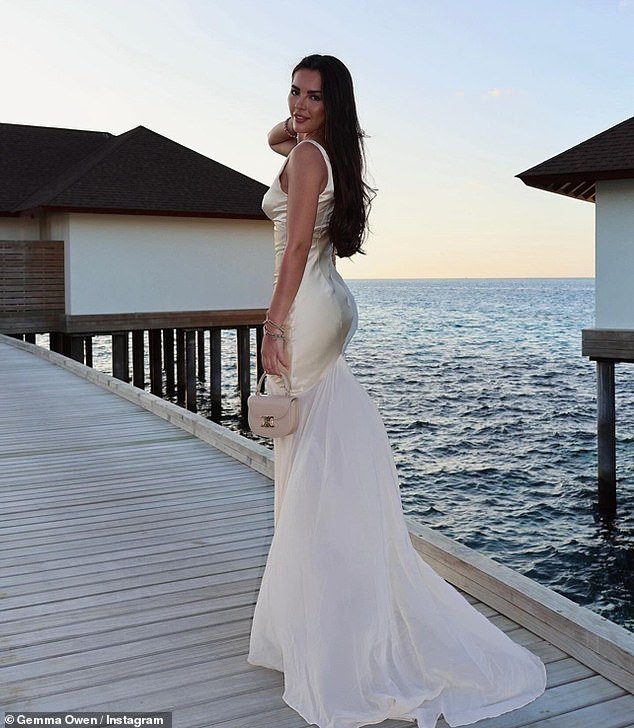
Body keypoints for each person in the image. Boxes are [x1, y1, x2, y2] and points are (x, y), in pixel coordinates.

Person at [247, 54, 546, 728]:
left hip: (304, 308)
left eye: (311, 97)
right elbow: (278, 140)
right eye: (292, 91)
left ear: (335, 105)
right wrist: (303, 121)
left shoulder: (307, 160)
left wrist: (270, 325)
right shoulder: (325, 152)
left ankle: (328, 627)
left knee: (304, 459)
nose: (295, 105)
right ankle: (326, 604)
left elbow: (294, 247)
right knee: (315, 455)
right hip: (331, 303)